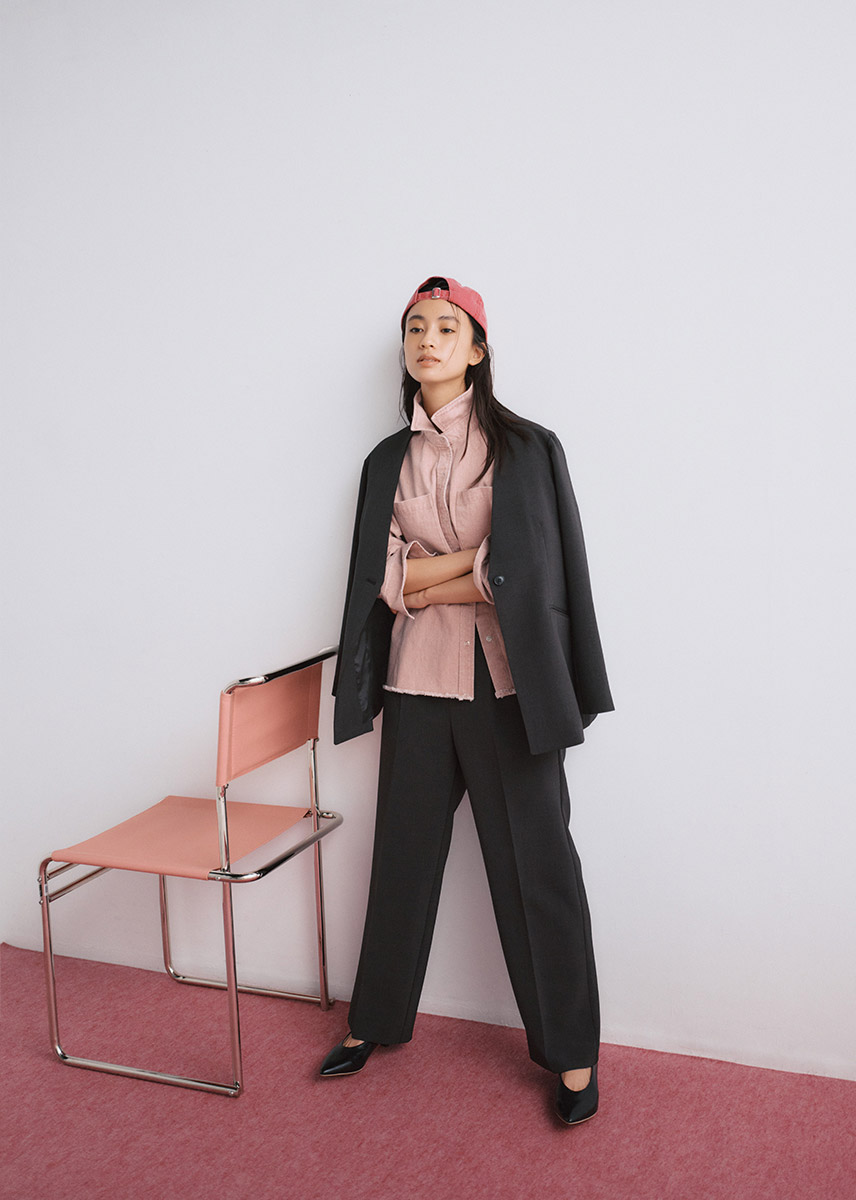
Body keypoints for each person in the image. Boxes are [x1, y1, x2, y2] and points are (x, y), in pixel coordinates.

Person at [323, 276, 614, 1125]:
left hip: (508, 689)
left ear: (477, 349)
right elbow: (381, 582)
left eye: (447, 328)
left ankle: (572, 1055)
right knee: (402, 859)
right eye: (416, 327)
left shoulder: (526, 448)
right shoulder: (385, 461)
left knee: (539, 870)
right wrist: (470, 569)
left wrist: (435, 574)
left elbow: (523, 572)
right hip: (416, 684)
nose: (428, 340)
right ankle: (374, 1021)